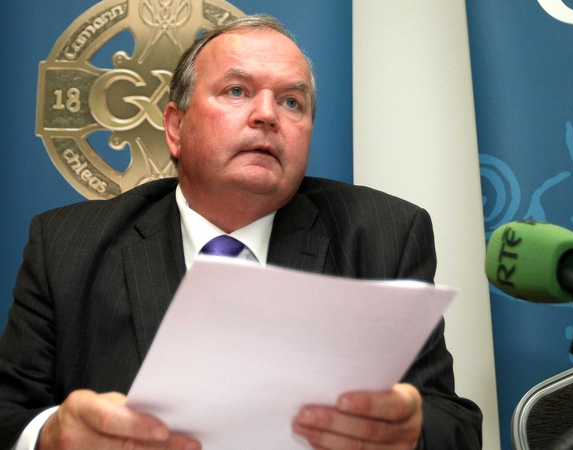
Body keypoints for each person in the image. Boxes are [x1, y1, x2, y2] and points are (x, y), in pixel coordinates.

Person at [0, 15, 482, 450]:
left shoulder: (383, 236)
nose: (267, 115)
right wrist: (48, 436)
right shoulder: (65, 245)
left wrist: (406, 434)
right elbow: (9, 412)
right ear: (175, 127)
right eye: (237, 91)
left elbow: (455, 425)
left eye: (292, 101)